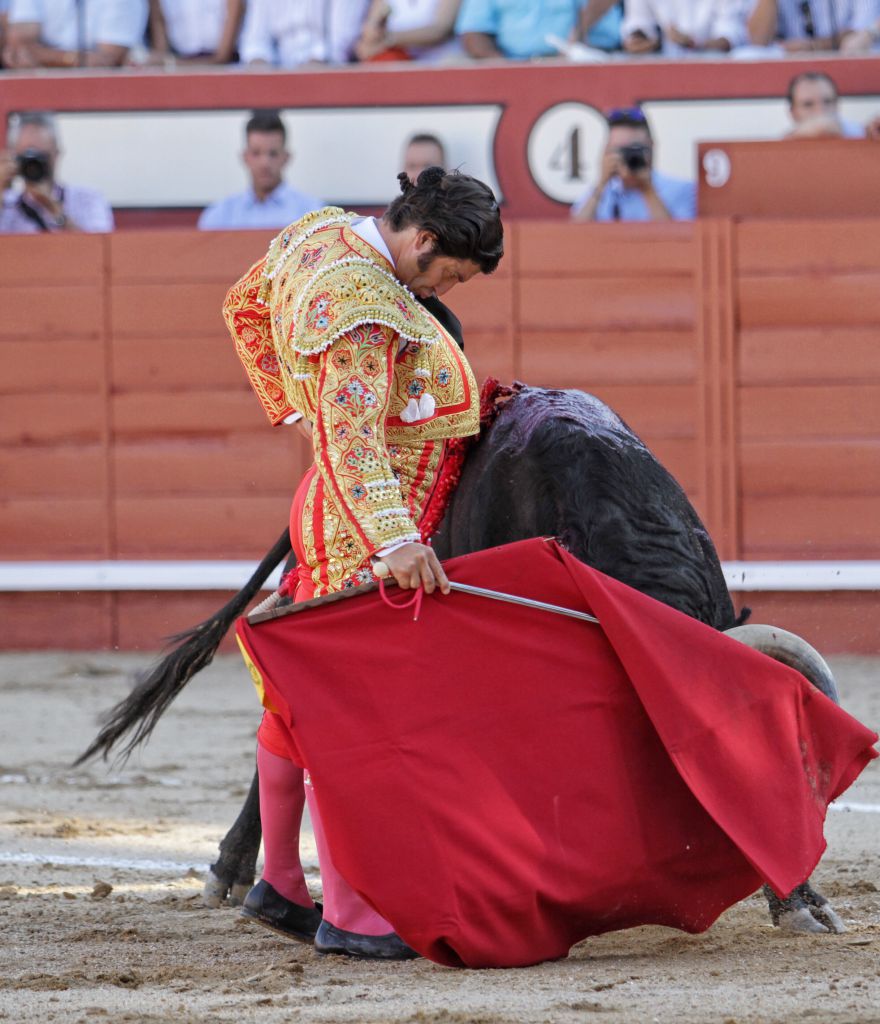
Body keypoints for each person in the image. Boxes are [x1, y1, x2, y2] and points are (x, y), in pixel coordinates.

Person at [223, 167, 503, 959]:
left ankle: (279, 880)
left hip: (332, 504)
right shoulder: (365, 308)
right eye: (448, 275)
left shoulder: (322, 232)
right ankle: (352, 912)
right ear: (422, 242)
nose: (448, 289)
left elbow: (242, 306)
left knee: (296, 707)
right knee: (356, 721)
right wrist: (394, 540)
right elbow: (353, 441)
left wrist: (293, 409)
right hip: (364, 524)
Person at [198, 110, 321, 231]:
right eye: (256, 153)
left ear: (286, 157)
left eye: (273, 154)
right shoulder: (219, 218)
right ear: (245, 157)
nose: (265, 163)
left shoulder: (314, 215)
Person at [571, 106, 696, 223]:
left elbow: (678, 240)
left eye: (635, 149)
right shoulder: (600, 194)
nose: (627, 157)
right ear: (607, 151)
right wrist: (602, 182)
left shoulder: (682, 190)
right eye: (620, 150)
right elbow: (574, 235)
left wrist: (647, 189)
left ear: (651, 146)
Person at [0, 112, 114, 233]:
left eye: (40, 156)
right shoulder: (7, 205)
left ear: (56, 154)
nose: (33, 165)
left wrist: (53, 208)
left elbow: (101, 247)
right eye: (26, 157)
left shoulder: (87, 199)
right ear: (13, 158)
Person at [456, 0, 623, 59]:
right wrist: (500, 65)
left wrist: (579, 34)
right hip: (517, 67)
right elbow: (473, 30)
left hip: (590, 61)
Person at [2, 0, 147, 67]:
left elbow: (106, 60)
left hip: (104, 92)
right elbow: (18, 47)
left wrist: (41, 56)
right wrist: (70, 58)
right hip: (40, 90)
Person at [239, 0, 369, 66]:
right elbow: (254, 42)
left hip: (330, 79)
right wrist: (259, 64)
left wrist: (309, 70)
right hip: (277, 80)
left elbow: (341, 42)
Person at [621, 0, 749, 56]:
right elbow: (638, 24)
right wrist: (640, 42)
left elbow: (731, 36)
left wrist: (695, 44)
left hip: (716, 70)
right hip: (661, 69)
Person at [746, 0, 880, 51]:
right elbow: (758, 41)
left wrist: (812, 46)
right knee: (748, 56)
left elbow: (864, 31)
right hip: (789, 64)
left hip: (844, 61)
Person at [354, 0, 461, 62]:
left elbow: (440, 29)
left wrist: (389, 40)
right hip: (398, 67)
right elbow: (369, 35)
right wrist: (373, 32)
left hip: (440, 63)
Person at [145, 0, 244, 64]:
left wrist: (173, 64)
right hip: (178, 63)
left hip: (229, 66)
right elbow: (160, 50)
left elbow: (222, 57)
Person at [785, 70, 865, 138]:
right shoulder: (777, 146)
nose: (820, 111)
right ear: (793, 113)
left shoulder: (864, 134)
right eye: (808, 105)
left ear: (837, 105)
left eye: (827, 102)